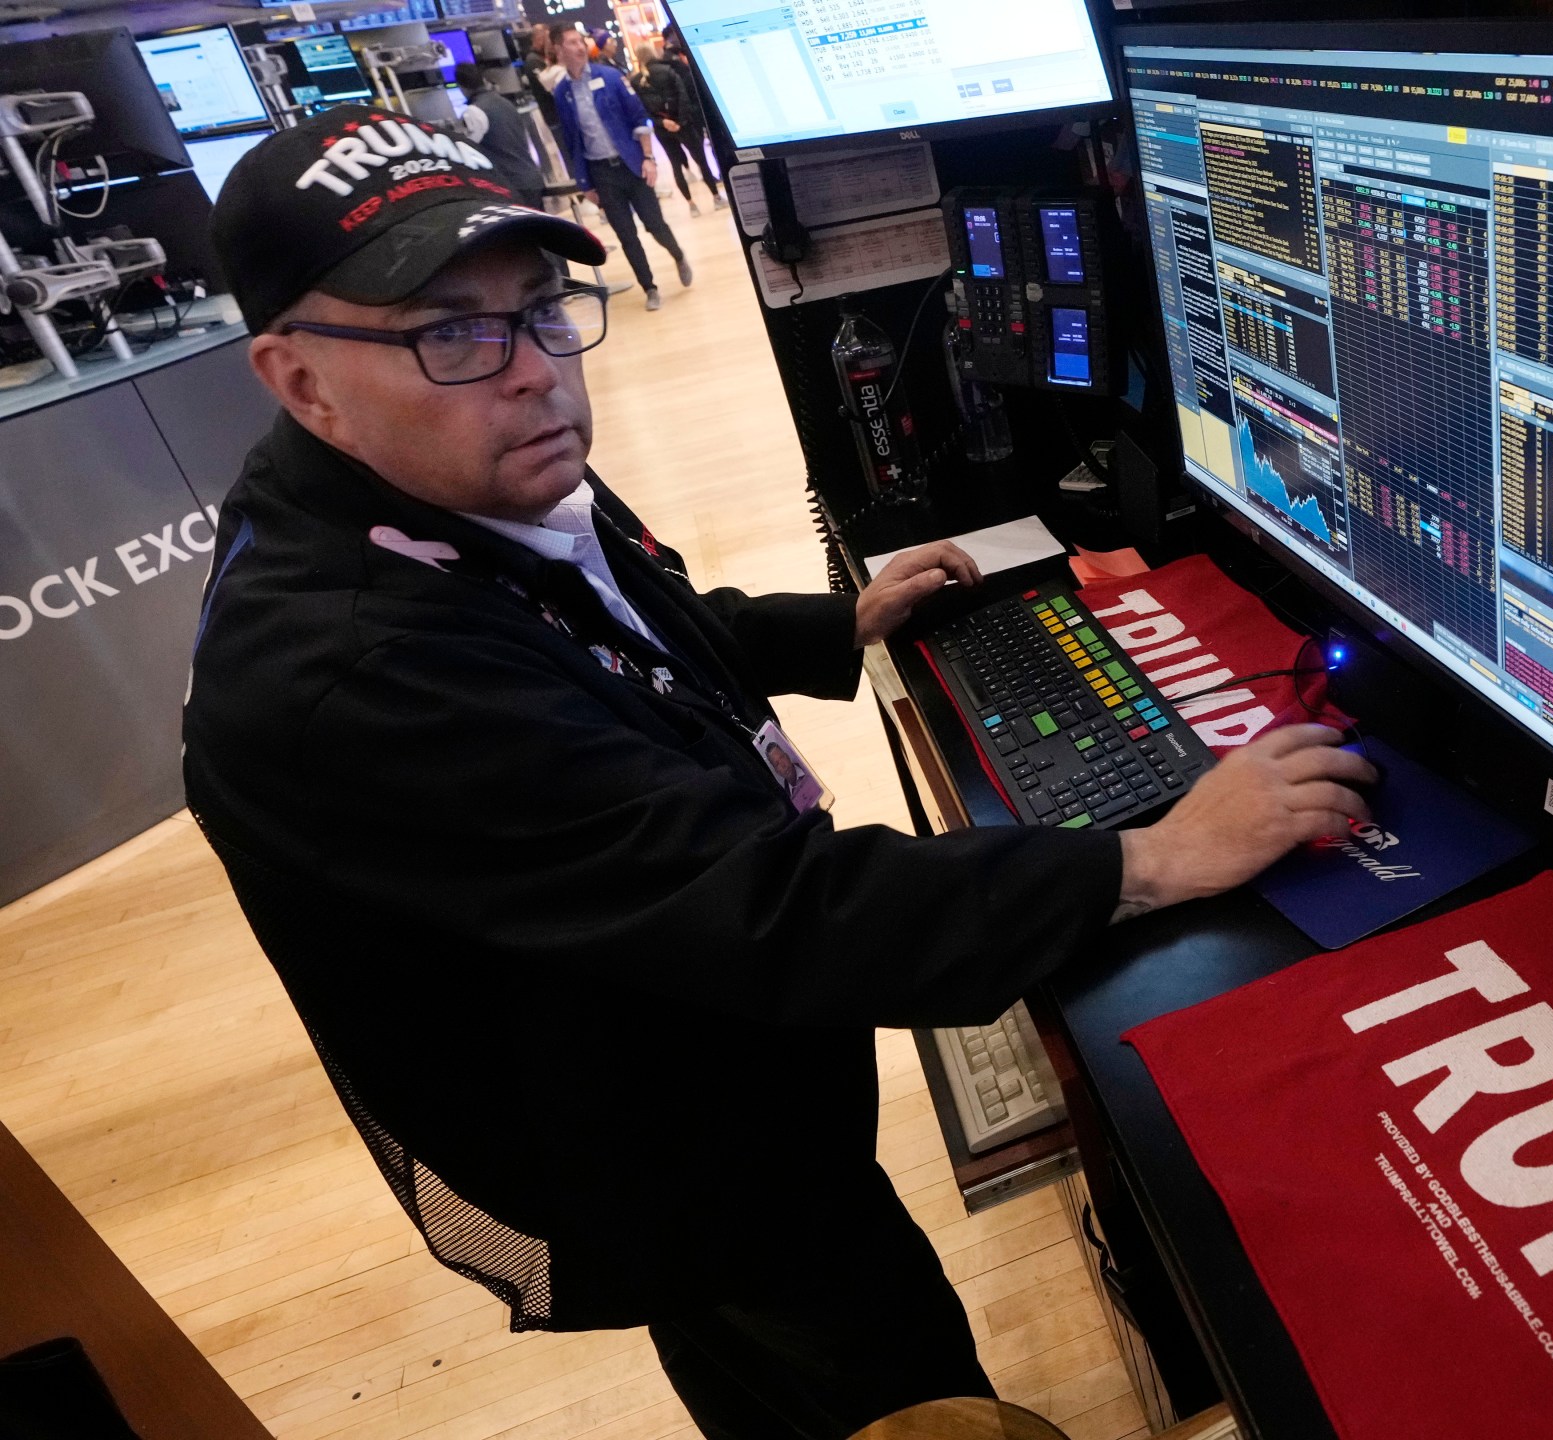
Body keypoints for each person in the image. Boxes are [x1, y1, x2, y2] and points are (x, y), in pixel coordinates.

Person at [187, 109, 1373, 1440]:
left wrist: (829, 625)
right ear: (298, 377)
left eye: (539, 306)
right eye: (448, 330)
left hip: (690, 1046)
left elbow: (613, 644)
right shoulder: (346, 676)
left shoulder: (433, 471)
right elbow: (770, 910)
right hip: (653, 1154)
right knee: (879, 1376)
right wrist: (1154, 856)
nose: (532, 371)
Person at [549, 39, 689, 311]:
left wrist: (648, 159)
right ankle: (649, 287)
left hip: (632, 165)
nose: (579, 46)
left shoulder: (610, 77)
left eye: (580, 41)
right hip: (601, 172)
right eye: (571, 42)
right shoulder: (562, 92)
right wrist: (584, 182)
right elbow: (570, 141)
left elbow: (640, 119)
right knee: (626, 234)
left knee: (654, 223)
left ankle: (678, 254)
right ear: (559, 50)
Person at [636, 38, 721, 215]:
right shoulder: (668, 70)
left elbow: (641, 109)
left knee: (676, 166)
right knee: (701, 161)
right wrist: (680, 121)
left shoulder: (636, 81)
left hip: (662, 129)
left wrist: (662, 123)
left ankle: (691, 205)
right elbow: (683, 96)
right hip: (683, 125)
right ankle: (716, 197)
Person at [452, 64, 546, 203]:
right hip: (531, 178)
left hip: (511, 185)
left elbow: (469, 150)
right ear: (483, 80)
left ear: (462, 87)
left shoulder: (473, 112)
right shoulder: (505, 103)